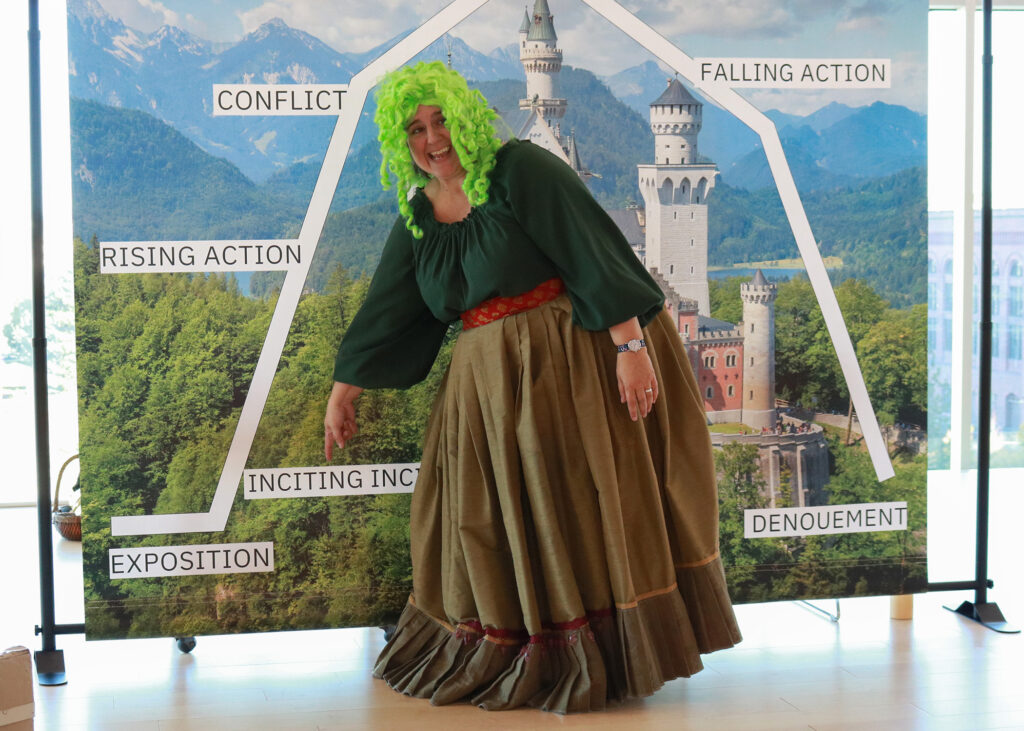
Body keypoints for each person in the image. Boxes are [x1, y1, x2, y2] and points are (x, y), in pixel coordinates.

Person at [324, 61, 740, 713]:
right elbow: (390, 304)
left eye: (440, 121)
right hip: (483, 386)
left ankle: (597, 655)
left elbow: (589, 249)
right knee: (485, 516)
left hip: (564, 363)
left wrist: (631, 347)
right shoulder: (418, 214)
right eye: (415, 129)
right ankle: (519, 646)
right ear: (401, 143)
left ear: (464, 119)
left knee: (570, 505)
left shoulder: (520, 169)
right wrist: (344, 389)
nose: (432, 139)